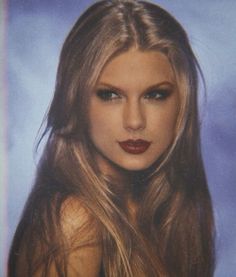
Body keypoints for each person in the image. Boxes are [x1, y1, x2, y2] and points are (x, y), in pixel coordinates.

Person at [8, 0, 215, 276]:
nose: (134, 121)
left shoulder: (170, 218)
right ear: (76, 100)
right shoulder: (75, 222)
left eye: (155, 95)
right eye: (110, 95)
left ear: (182, 103)